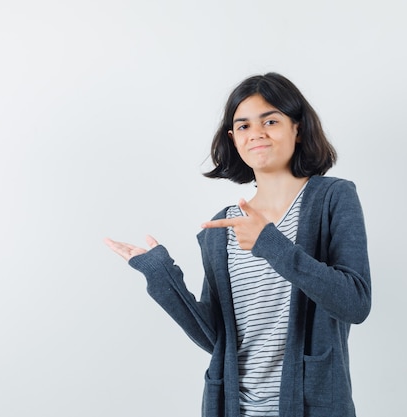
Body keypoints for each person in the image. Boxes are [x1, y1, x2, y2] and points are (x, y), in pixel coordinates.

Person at [104, 72, 371, 417]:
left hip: (311, 407)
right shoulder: (222, 227)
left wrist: (269, 243)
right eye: (243, 126)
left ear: (298, 128)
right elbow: (216, 339)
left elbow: (355, 303)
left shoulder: (333, 198)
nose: (256, 133)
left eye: (270, 120)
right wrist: (160, 276)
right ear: (233, 138)